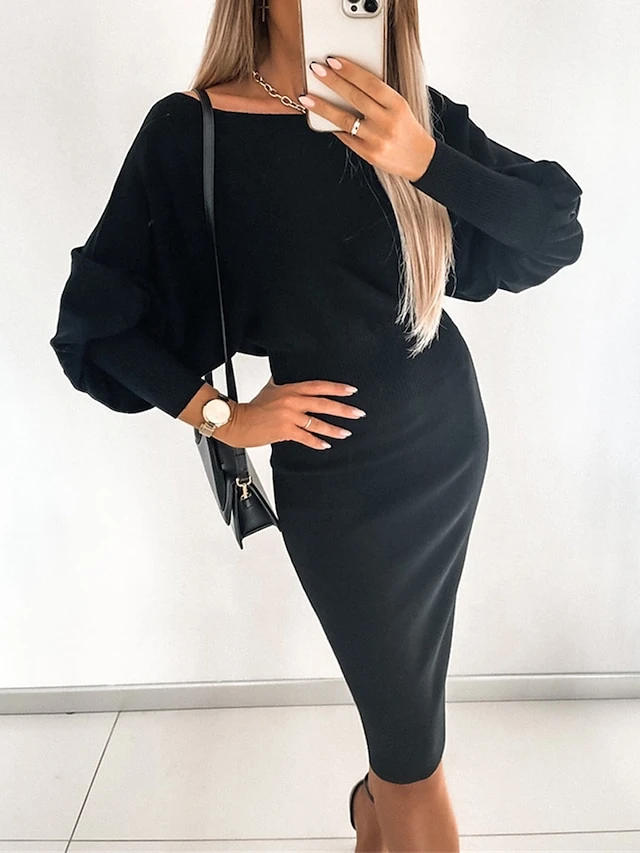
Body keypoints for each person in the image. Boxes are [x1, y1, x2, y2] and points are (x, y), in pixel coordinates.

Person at [49, 0, 584, 850]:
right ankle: (379, 802)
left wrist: (426, 159)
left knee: (405, 733)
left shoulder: (405, 113)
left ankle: (376, 806)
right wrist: (224, 416)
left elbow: (554, 232)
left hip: (446, 444)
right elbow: (95, 323)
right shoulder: (192, 131)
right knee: (413, 755)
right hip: (335, 481)